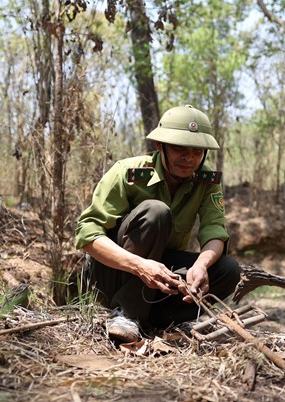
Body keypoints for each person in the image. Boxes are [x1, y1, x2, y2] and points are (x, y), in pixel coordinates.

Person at [75, 105, 241, 342]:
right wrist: (139, 265)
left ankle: (161, 320)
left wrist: (201, 266)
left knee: (228, 270)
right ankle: (126, 312)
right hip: (113, 272)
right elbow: (87, 235)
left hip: (160, 273)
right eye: (179, 149)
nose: (189, 158)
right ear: (159, 146)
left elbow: (215, 230)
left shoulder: (207, 181)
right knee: (156, 212)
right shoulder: (128, 172)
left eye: (196, 151)